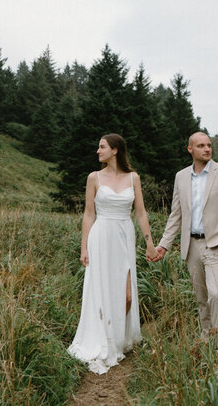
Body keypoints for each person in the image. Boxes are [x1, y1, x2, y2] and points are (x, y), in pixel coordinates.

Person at [68, 133, 159, 374]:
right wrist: (84, 246)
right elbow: (89, 213)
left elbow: (140, 213)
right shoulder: (93, 178)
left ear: (115, 150)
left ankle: (118, 337)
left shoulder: (133, 178)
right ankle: (104, 340)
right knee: (102, 290)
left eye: (102, 147)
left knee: (127, 296)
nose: (98, 151)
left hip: (124, 237)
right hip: (101, 237)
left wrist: (149, 243)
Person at [153, 131, 218, 344]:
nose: (207, 149)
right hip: (191, 247)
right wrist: (163, 245)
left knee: (216, 294)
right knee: (202, 299)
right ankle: (206, 341)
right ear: (190, 150)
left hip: (217, 244)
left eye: (209, 145)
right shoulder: (181, 177)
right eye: (201, 146)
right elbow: (175, 215)